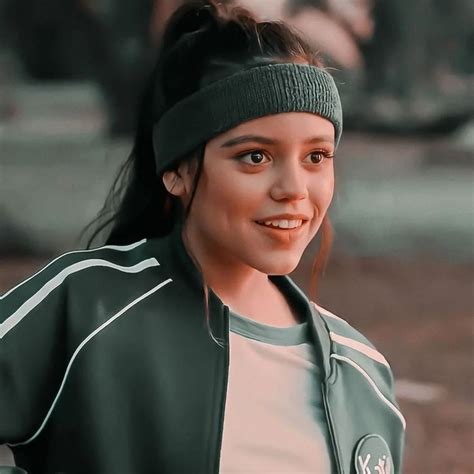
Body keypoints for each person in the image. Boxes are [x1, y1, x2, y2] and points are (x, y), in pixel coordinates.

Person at [0, 1, 406, 473]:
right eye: (255, 157)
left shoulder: (363, 375)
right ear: (177, 170)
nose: (294, 189)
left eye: (316, 157)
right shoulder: (88, 308)